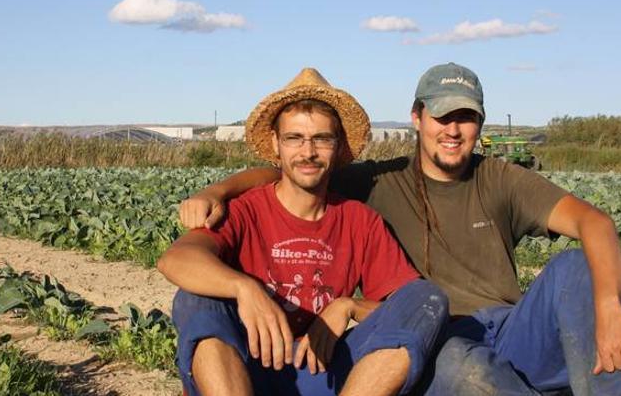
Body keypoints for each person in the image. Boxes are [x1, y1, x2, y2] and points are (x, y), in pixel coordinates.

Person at [178, 63, 621, 395]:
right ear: (417, 119)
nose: (452, 130)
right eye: (441, 116)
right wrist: (220, 191)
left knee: (576, 266)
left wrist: (608, 304)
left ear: (479, 125)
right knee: (461, 367)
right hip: (439, 342)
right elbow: (294, 173)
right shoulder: (379, 181)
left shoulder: (502, 178)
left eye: (465, 117)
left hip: (509, 328)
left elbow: (593, 221)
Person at [159, 68, 449, 396]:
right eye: (294, 138)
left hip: (322, 371)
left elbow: (402, 310)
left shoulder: (359, 220)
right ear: (276, 144)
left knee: (428, 297)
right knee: (194, 297)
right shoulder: (245, 209)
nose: (307, 152)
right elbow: (176, 259)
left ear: (339, 147)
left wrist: (349, 306)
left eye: (322, 139)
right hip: (245, 369)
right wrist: (244, 288)